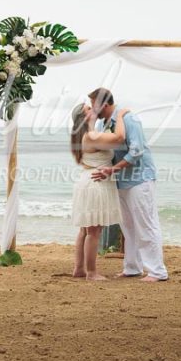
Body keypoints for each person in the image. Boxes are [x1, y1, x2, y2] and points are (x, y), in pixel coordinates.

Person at [89, 87, 169, 282]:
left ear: (104, 105)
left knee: (146, 224)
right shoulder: (103, 124)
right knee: (128, 227)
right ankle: (132, 267)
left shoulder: (129, 119)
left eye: (94, 106)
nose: (92, 110)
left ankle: (157, 271)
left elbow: (136, 151)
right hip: (121, 181)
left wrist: (113, 169)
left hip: (139, 178)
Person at [69, 102, 128, 281]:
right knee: (94, 232)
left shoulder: (84, 135)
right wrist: (120, 115)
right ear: (85, 116)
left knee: (85, 231)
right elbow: (119, 138)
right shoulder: (92, 136)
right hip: (94, 184)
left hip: (87, 181)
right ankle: (91, 272)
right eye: (89, 108)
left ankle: (79, 269)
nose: (93, 109)